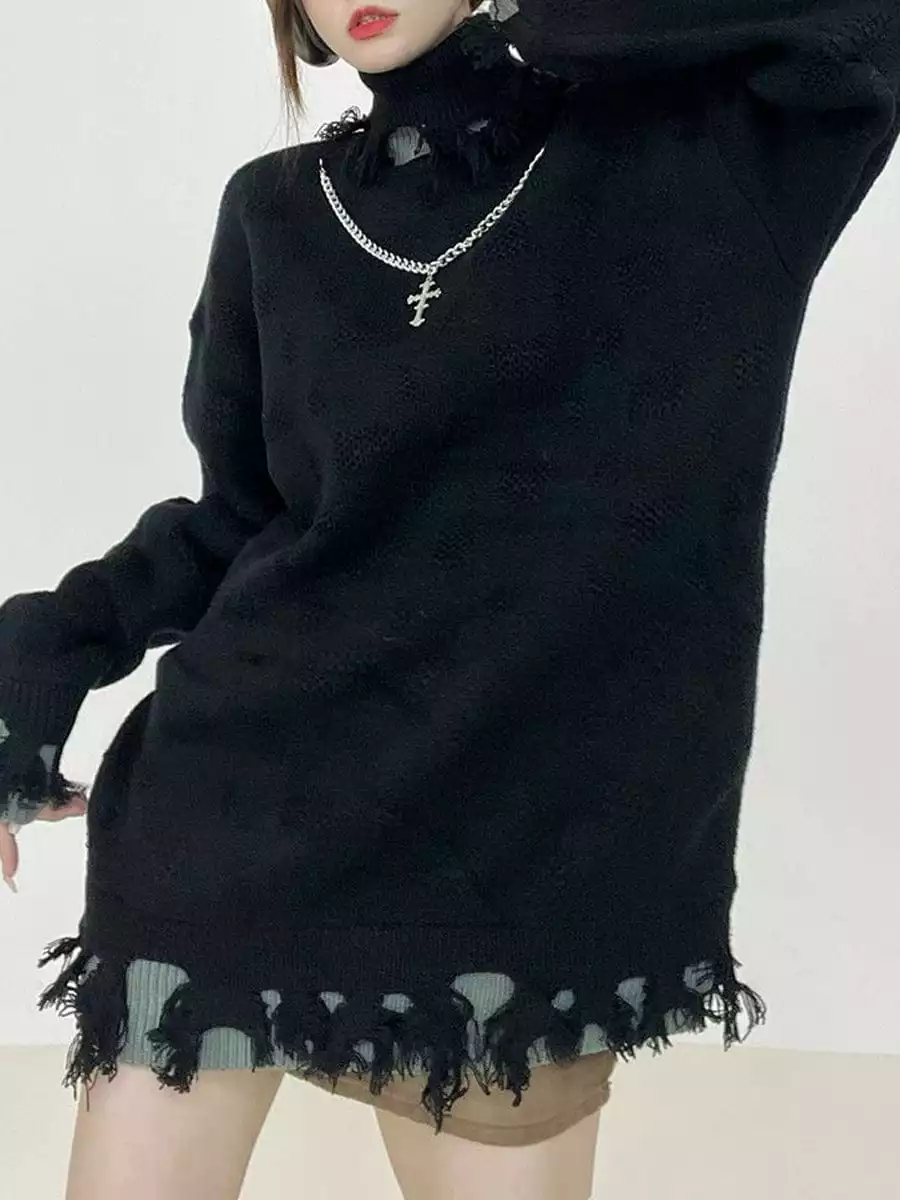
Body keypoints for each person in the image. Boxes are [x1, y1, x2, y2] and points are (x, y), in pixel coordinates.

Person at [1, 1, 898, 1197]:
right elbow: (237, 519)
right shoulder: (277, 211)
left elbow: (859, 30)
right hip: (223, 829)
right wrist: (35, 665)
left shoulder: (699, 159)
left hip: (513, 869)